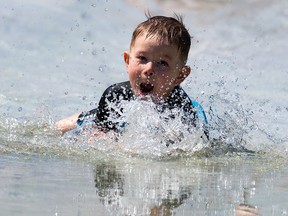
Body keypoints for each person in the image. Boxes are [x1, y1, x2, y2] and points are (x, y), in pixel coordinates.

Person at [55, 14, 208, 141]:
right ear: (127, 61)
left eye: (162, 63)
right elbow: (100, 133)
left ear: (180, 76)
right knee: (63, 126)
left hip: (184, 117)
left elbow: (188, 150)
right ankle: (78, 117)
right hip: (105, 113)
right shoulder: (115, 94)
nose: (149, 69)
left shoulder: (181, 109)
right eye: (142, 58)